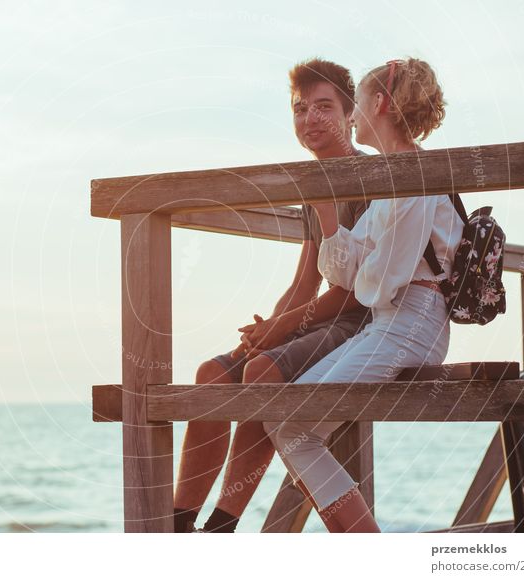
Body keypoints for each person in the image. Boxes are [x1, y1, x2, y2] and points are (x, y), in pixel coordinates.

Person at [173, 59, 373, 533]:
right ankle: (177, 526)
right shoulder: (312, 186)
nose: (311, 119)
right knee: (212, 374)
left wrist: (282, 328)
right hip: (320, 316)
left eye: (324, 107)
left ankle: (222, 526)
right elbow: (305, 282)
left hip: (362, 322)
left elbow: (356, 295)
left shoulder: (374, 180)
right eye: (301, 108)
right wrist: (264, 331)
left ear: (351, 115)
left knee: (262, 372)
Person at [264, 57, 462, 533]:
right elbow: (352, 272)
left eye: (357, 105)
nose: (349, 117)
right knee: (289, 422)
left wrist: (361, 264)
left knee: (294, 426)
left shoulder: (416, 177)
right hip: (390, 323)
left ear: (377, 104)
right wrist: (330, 218)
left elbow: (378, 279)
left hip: (414, 323)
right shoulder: (390, 177)